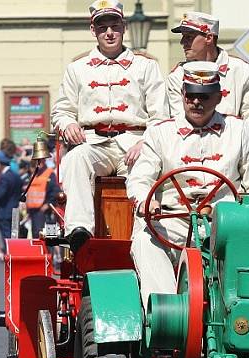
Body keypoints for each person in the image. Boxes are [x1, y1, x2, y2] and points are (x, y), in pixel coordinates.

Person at [127, 61, 249, 305]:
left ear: (218, 97)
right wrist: (145, 203)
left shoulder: (239, 131)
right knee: (144, 241)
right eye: (192, 95)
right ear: (183, 95)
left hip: (225, 224)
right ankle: (166, 314)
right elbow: (139, 179)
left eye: (204, 96)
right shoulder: (159, 133)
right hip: (171, 221)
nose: (196, 102)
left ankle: (238, 312)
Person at [51, 0, 169, 252]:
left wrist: (145, 142)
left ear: (124, 27)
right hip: (94, 143)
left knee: (145, 170)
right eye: (102, 27)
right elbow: (61, 112)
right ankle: (79, 230)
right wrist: (69, 124)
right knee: (76, 159)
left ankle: (143, 240)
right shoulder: (77, 69)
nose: (109, 32)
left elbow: (162, 115)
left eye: (114, 26)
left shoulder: (146, 66)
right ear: (93, 30)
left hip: (136, 143)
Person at [167, 12, 249, 134]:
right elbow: (179, 119)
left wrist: (244, 137)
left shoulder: (241, 69)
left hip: (236, 143)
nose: (182, 42)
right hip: (194, 145)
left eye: (189, 37)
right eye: (183, 36)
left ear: (209, 38)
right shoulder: (177, 75)